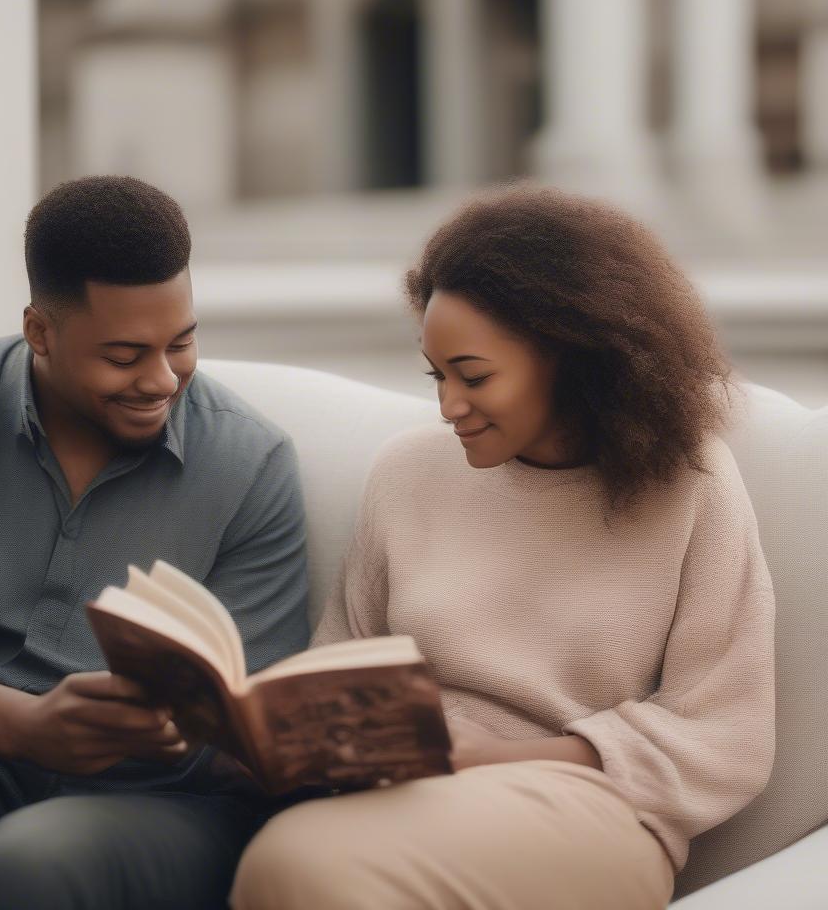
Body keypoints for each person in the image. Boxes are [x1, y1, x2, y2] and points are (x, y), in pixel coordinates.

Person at [231, 184, 775, 910]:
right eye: (437, 375)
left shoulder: (690, 488)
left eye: (475, 376)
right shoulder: (406, 472)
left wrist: (499, 756)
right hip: (403, 799)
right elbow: (342, 662)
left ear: (572, 356)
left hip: (593, 813)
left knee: (298, 864)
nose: (449, 405)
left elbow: (728, 732)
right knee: (294, 854)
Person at [0, 175, 310, 909]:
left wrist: (196, 729)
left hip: (156, 805)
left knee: (37, 862)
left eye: (183, 342)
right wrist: (21, 726)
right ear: (40, 330)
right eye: (124, 354)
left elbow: (254, 701)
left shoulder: (251, 461)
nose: (162, 379)